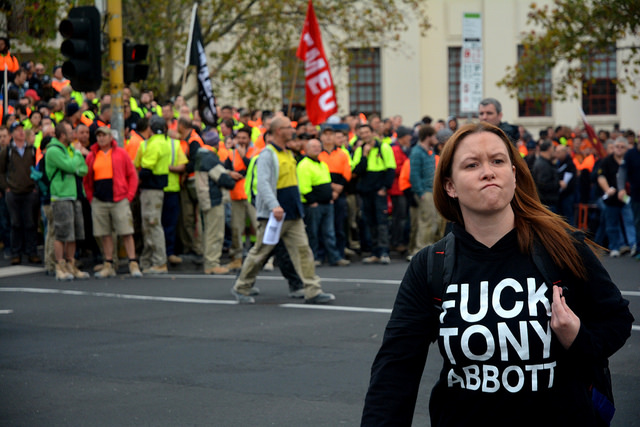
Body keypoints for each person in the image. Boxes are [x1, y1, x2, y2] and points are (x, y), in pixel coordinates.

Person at [362, 122, 633, 426]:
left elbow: (617, 319)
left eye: (498, 161)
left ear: (514, 175)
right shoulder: (430, 264)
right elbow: (395, 369)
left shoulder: (562, 247)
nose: (488, 171)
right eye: (472, 164)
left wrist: (578, 337)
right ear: (450, 185)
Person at [230, 117, 335, 304]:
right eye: (288, 127)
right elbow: (262, 183)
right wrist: (273, 205)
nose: (292, 130)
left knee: (303, 251)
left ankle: (312, 290)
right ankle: (242, 287)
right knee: (260, 252)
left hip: (292, 213)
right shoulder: (267, 155)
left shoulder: (288, 153)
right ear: (278, 131)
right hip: (275, 214)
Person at [83, 127, 142, 278]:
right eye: (99, 136)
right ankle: (108, 263)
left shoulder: (121, 153)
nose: (101, 138)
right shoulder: (92, 156)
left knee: (126, 231)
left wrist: (129, 196)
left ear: (110, 137)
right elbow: (87, 180)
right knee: (104, 233)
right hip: (100, 200)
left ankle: (132, 262)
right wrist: (91, 198)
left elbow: (132, 175)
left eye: (104, 135)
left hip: (119, 198)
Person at [46, 122, 90, 281]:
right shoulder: (53, 150)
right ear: (63, 135)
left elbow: (83, 169)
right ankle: (60, 265)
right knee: (62, 233)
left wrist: (75, 163)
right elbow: (71, 167)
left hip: (75, 194)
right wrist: (77, 156)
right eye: (71, 131)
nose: (74, 134)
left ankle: (71, 264)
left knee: (74, 233)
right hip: (61, 196)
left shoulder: (70, 150)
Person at [297, 138, 350, 267]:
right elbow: (303, 187)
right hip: (314, 205)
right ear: (307, 149)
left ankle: (334, 257)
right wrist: (312, 201)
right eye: (313, 147)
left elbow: (326, 183)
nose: (316, 149)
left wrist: (330, 197)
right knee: (313, 233)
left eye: (318, 146)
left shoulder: (322, 164)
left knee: (329, 233)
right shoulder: (304, 165)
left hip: (327, 203)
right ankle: (314, 257)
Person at [352, 123, 397, 264]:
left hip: (379, 192)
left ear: (372, 132)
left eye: (367, 132)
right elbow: (357, 171)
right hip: (366, 192)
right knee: (369, 222)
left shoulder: (384, 147)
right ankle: (375, 252)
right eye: (362, 133)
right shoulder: (359, 150)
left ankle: (384, 251)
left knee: (381, 222)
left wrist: (384, 188)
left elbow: (391, 169)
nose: (365, 135)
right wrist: (364, 155)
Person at [0, 121, 41, 265]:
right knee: (15, 223)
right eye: (17, 130)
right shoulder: (8, 151)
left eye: (22, 129)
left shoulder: (32, 149)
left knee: (30, 223)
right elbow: (1, 171)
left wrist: (35, 185)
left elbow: (37, 169)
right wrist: (6, 187)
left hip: (29, 191)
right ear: (12, 135)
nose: (21, 132)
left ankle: (32, 252)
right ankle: (15, 253)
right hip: (13, 192)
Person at [134, 116, 171, 273]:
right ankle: (147, 260)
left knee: (152, 225)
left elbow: (146, 168)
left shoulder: (152, 144)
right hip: (158, 188)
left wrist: (135, 182)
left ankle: (159, 261)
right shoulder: (165, 142)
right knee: (150, 224)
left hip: (151, 189)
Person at [194, 145, 236, 275]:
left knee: (208, 232)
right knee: (215, 233)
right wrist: (230, 177)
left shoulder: (199, 159)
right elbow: (225, 180)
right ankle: (212, 264)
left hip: (205, 199)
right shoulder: (210, 160)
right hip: (214, 199)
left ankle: (210, 262)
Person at [223, 126, 257, 271]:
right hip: (236, 195)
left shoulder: (256, 152)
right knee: (237, 228)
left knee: (258, 227)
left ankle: (265, 258)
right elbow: (224, 169)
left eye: (244, 138)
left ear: (249, 139)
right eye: (239, 138)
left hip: (252, 196)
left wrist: (244, 156)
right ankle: (237, 258)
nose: (242, 141)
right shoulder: (231, 154)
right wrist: (230, 173)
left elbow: (255, 169)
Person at [597, 136, 637, 257]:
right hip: (612, 198)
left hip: (627, 198)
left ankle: (633, 245)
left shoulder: (629, 160)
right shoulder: (607, 161)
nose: (619, 149)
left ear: (626, 149)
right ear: (613, 148)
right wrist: (607, 189)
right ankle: (614, 247)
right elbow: (600, 177)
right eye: (617, 147)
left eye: (622, 147)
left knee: (631, 222)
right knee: (611, 224)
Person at [409, 124, 444, 256]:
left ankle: (429, 250)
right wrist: (420, 193)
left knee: (434, 222)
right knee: (426, 222)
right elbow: (414, 174)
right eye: (434, 135)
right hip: (425, 192)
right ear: (428, 136)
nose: (436, 138)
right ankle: (420, 251)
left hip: (431, 190)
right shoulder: (417, 152)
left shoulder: (429, 151)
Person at [531, 140, 559, 212]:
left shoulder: (545, 162)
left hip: (547, 201)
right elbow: (543, 184)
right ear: (549, 149)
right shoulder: (543, 164)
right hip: (547, 202)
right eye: (553, 148)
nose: (554, 150)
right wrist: (558, 184)